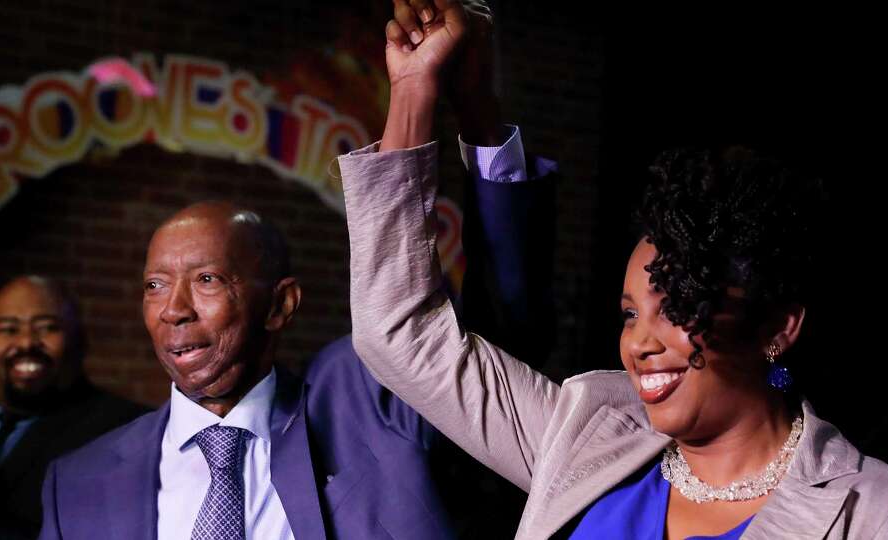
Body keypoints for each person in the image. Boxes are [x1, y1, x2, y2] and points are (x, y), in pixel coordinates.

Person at [337, 1, 888, 538]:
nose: (638, 342)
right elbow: (399, 333)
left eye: (678, 305)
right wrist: (414, 88)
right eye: (630, 313)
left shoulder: (879, 511)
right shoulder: (584, 437)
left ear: (778, 327)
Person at [38, 4, 556, 538]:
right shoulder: (75, 483)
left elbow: (501, 332)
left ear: (282, 304)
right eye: (155, 285)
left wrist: (467, 108)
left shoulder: (365, 404)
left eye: (208, 280)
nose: (174, 310)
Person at [0, 276, 147, 540]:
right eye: (8, 329)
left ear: (80, 343)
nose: (26, 343)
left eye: (47, 328)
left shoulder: (128, 431)